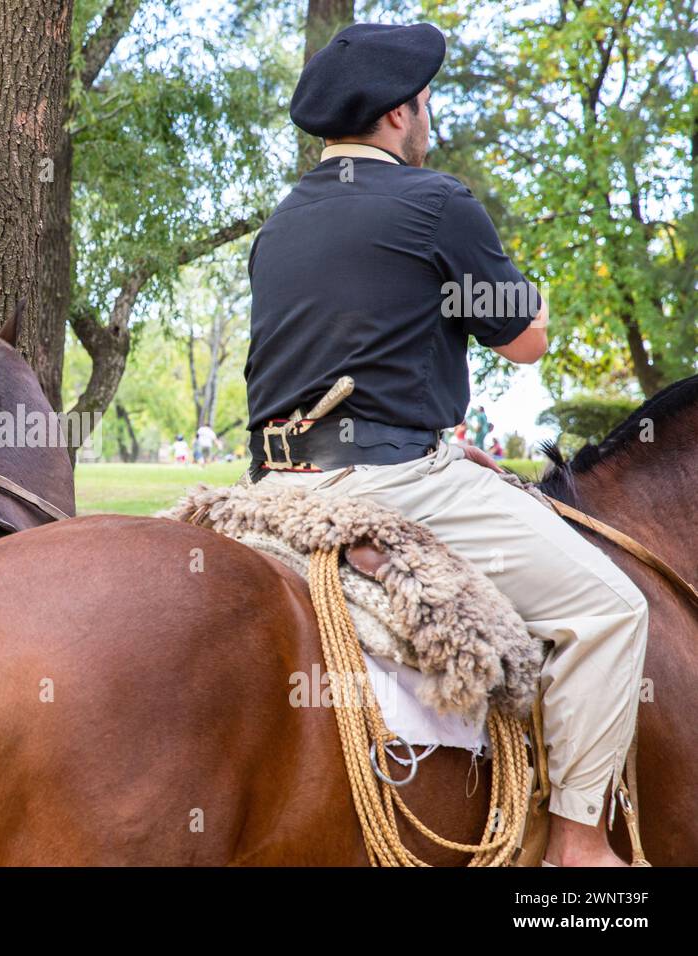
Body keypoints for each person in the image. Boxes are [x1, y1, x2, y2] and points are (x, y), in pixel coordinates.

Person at [243, 23, 647, 866]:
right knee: (611, 610)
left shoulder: (278, 226)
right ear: (400, 113)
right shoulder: (435, 201)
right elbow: (526, 339)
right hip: (389, 483)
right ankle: (580, 842)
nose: (429, 116)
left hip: (273, 488)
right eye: (426, 101)